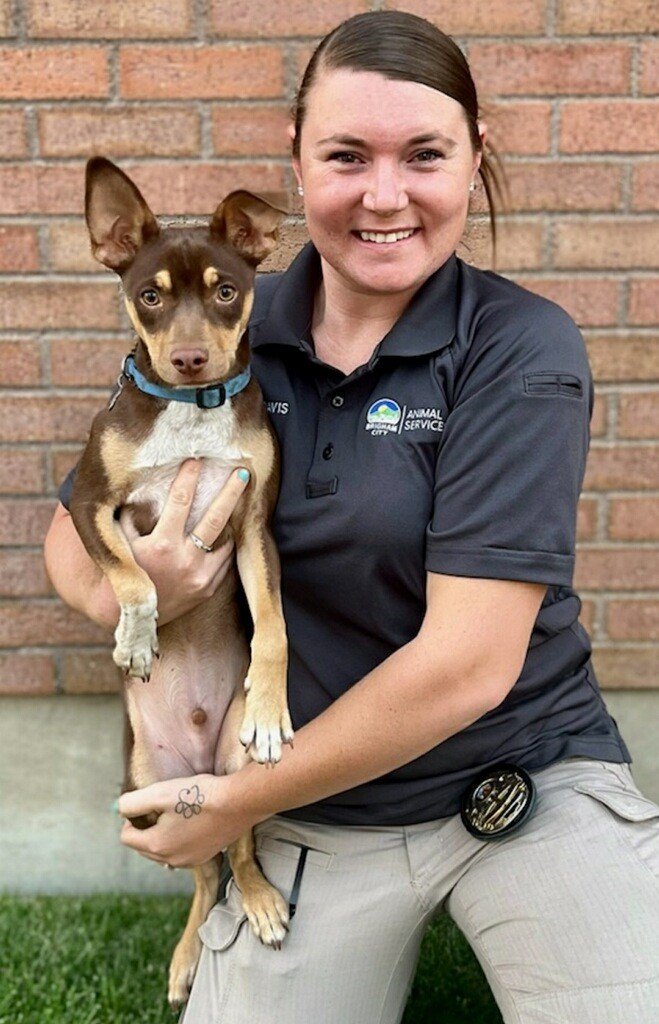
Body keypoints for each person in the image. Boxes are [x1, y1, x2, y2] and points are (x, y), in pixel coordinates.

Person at [45, 11, 659, 1024]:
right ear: (294, 162)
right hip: (308, 802)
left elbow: (467, 664)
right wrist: (152, 587)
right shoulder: (230, 325)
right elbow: (73, 529)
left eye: (423, 154)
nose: (385, 195)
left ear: (473, 159)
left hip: (518, 779)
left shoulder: (517, 347)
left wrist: (228, 807)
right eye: (345, 155)